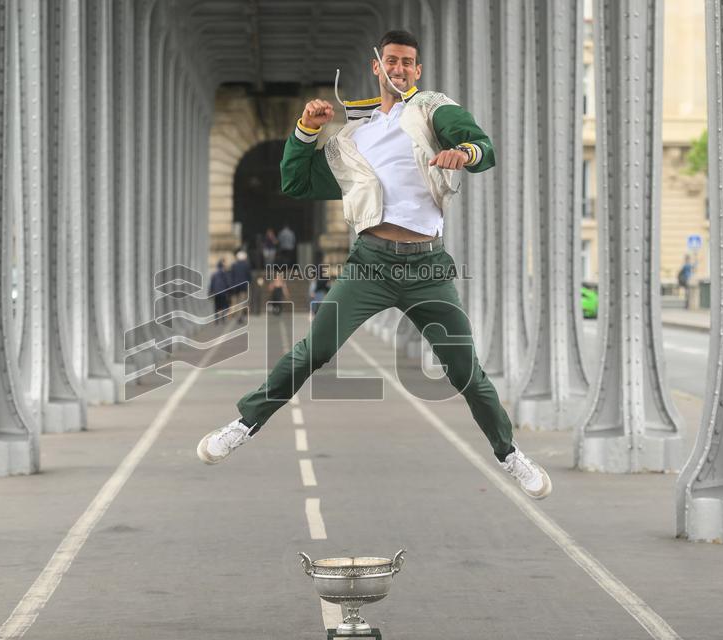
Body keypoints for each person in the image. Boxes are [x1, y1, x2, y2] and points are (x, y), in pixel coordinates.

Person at [197, 30, 551, 500]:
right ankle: (243, 425)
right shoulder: (353, 139)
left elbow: (482, 147)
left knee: (464, 368)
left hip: (428, 267)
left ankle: (509, 454)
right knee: (313, 351)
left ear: (417, 71)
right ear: (375, 66)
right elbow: (296, 182)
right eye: (391, 60)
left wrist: (463, 153)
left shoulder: (431, 109)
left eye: (408, 62)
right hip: (370, 264)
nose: (399, 68)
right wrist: (305, 129)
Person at [228, 249, 252, 324]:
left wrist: (231, 285)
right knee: (242, 301)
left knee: (235, 301)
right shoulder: (246, 265)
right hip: (243, 286)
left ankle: (235, 315)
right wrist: (249, 282)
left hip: (235, 286)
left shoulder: (234, 265)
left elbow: (231, 276)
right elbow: (249, 276)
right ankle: (239, 317)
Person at [208, 258, 231, 324]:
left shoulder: (214, 274)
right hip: (223, 292)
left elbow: (212, 283)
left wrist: (210, 291)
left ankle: (216, 319)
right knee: (223, 305)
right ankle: (223, 318)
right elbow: (227, 283)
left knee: (216, 305)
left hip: (216, 292)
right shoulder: (225, 273)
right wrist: (229, 291)